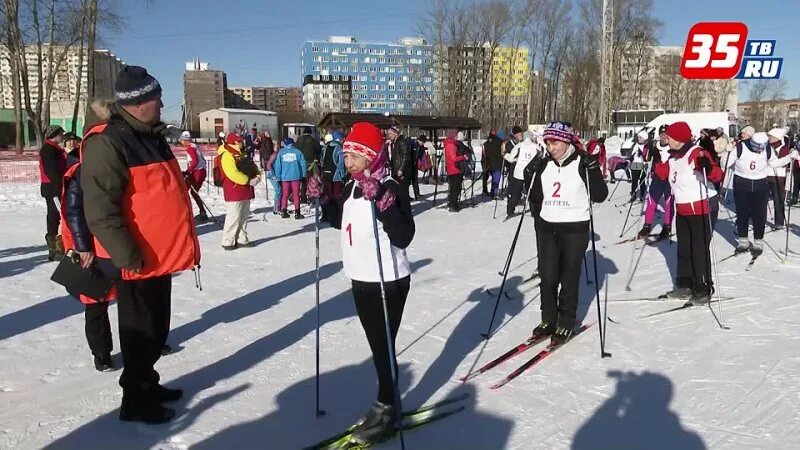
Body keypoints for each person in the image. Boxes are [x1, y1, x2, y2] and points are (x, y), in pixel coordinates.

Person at [81, 66, 200, 423]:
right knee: (140, 332)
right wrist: (125, 253)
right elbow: (100, 209)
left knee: (156, 327)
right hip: (135, 259)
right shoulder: (108, 141)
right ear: (136, 103)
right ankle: (135, 400)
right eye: (156, 98)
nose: (162, 103)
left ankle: (148, 382)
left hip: (157, 255)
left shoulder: (149, 135)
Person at [329, 122, 415, 445]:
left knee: (383, 348)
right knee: (379, 347)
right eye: (345, 154)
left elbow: (404, 235)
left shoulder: (389, 185)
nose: (347, 161)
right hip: (360, 278)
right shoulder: (352, 187)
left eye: (353, 155)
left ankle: (387, 408)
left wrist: (383, 203)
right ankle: (385, 400)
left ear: (370, 156)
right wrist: (322, 198)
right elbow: (341, 222)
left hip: (387, 281)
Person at [526, 121, 608, 343]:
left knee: (569, 277)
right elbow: (534, 197)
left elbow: (600, 195)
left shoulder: (582, 162)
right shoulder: (544, 164)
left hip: (574, 227)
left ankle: (566, 321)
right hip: (547, 226)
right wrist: (528, 175)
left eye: (555, 143)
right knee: (548, 276)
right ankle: (549, 319)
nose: (552, 148)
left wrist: (593, 170)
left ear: (567, 140)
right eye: (548, 143)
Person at [652, 121, 723, 303]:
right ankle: (685, 285)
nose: (668, 138)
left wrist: (706, 166)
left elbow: (716, 175)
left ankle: (703, 288)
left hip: (701, 207)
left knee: (699, 250)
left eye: (671, 136)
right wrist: (656, 160)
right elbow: (662, 173)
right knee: (684, 248)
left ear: (680, 138)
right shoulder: (674, 157)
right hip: (683, 209)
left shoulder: (696, 152)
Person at [725, 131, 797, 254]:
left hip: (760, 185)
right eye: (756, 147)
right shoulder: (740, 147)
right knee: (742, 213)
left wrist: (789, 157)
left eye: (761, 147)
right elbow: (725, 164)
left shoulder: (768, 149)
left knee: (759, 215)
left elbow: (775, 163)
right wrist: (726, 153)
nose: (759, 150)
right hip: (742, 183)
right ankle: (743, 242)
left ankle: (758, 242)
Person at [218, 133, 259, 249]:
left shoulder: (243, 153)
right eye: (238, 141)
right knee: (233, 216)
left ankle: (242, 239)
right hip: (234, 190)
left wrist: (257, 176)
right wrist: (247, 180)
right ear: (232, 142)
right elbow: (232, 173)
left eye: (241, 140)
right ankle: (228, 241)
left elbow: (253, 167)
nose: (241, 142)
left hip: (245, 190)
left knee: (244, 216)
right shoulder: (227, 155)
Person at [638, 125, 675, 240]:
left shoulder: (674, 147)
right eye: (662, 134)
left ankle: (667, 226)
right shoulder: (654, 146)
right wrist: (646, 148)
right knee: (651, 202)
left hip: (669, 180)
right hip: (657, 179)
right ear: (659, 135)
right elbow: (646, 159)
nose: (664, 136)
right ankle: (647, 225)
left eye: (667, 134)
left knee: (669, 204)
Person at [40, 124, 68, 261]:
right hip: (53, 188)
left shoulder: (53, 149)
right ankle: (55, 248)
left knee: (55, 215)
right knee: (55, 216)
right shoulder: (49, 150)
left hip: (53, 187)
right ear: (54, 135)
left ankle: (55, 247)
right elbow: (51, 171)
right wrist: (59, 186)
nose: (63, 136)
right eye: (61, 133)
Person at [505, 130, 542, 218]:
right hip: (531, 173)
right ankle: (534, 211)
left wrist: (506, 156)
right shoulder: (536, 146)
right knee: (532, 192)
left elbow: (510, 158)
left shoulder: (519, 145)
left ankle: (510, 209)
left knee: (516, 193)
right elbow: (541, 156)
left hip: (519, 173)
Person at [274, 137, 308, 219]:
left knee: (285, 195)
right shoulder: (298, 152)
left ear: (285, 144)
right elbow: (303, 164)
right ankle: (297, 212)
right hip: (296, 176)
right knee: (296, 195)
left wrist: (278, 177)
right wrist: (303, 175)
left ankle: (284, 211)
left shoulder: (281, 153)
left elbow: (278, 166)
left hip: (285, 177)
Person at [179, 131, 208, 223]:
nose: (181, 142)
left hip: (197, 172)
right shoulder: (194, 147)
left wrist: (188, 172)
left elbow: (194, 161)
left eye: (182, 140)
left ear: (185, 140)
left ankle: (188, 214)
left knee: (187, 192)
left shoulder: (190, 148)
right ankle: (201, 212)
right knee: (189, 192)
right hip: (199, 171)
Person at [766, 128, 791, 230]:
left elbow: (783, 162)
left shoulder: (783, 148)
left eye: (771, 136)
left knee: (778, 200)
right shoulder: (767, 147)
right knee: (762, 199)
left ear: (777, 137)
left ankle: (779, 222)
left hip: (778, 177)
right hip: (766, 175)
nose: (769, 138)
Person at [444, 129, 468, 212]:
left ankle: (453, 204)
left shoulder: (451, 144)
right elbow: (453, 158)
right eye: (456, 136)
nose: (456, 137)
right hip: (454, 169)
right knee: (455, 188)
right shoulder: (451, 145)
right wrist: (463, 157)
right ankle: (453, 205)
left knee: (455, 188)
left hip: (453, 168)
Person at [386, 126, 413, 196]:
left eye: (390, 134)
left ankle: (405, 206)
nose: (389, 136)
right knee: (397, 191)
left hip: (402, 172)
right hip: (395, 171)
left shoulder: (402, 142)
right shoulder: (393, 143)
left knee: (403, 192)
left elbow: (406, 156)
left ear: (396, 133)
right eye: (388, 134)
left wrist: (401, 169)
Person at [295, 127, 320, 203]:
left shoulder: (298, 141)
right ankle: (311, 197)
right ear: (310, 133)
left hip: (300, 164)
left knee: (303, 181)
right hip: (311, 164)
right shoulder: (313, 141)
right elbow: (318, 150)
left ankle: (302, 197)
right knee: (311, 181)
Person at [629, 131, 648, 202]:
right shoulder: (635, 145)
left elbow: (647, 157)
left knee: (642, 181)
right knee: (634, 181)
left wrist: (642, 154)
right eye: (638, 137)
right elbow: (630, 153)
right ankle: (633, 195)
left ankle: (642, 195)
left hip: (642, 165)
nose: (639, 139)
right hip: (634, 164)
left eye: (641, 137)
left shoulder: (646, 146)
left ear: (644, 138)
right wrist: (631, 157)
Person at [266, 140, 283, 215]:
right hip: (272, 175)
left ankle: (280, 206)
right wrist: (273, 175)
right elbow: (269, 164)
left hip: (279, 175)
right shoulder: (275, 154)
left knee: (280, 191)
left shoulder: (282, 154)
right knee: (278, 190)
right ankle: (276, 208)